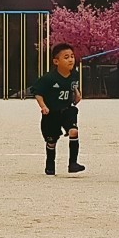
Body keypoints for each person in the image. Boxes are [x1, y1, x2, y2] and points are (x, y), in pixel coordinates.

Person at [34, 43, 84, 176]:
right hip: (52, 113)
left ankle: (73, 163)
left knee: (73, 131)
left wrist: (77, 94)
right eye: (66, 57)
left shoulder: (74, 75)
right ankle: (50, 165)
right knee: (51, 140)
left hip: (67, 110)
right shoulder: (49, 78)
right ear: (56, 61)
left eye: (72, 56)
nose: (71, 60)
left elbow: (73, 88)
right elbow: (38, 93)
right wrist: (43, 106)